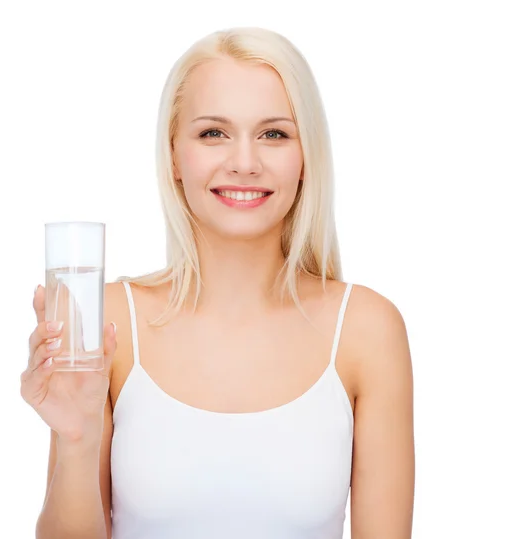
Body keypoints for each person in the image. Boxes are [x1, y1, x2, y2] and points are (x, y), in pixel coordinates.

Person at [21, 26, 415, 539]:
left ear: (305, 158)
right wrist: (74, 440)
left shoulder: (366, 331)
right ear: (175, 158)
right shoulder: (110, 323)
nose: (244, 163)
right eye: (213, 133)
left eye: (274, 134)